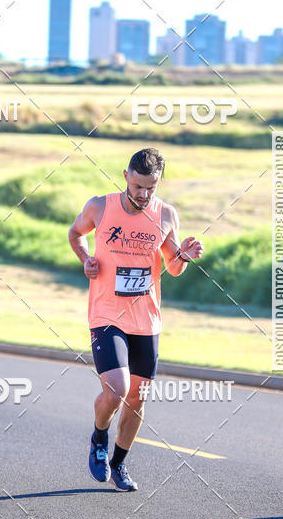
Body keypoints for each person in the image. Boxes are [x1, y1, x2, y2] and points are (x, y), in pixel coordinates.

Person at [68, 148, 204, 492]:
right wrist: (86, 259)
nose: (143, 194)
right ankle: (99, 437)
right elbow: (75, 233)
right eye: (138, 186)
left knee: (137, 397)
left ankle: (119, 464)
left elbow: (172, 267)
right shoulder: (100, 206)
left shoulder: (166, 215)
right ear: (126, 176)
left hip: (146, 320)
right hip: (107, 314)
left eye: (151, 188)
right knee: (117, 388)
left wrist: (184, 256)